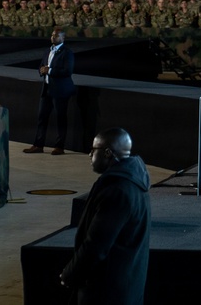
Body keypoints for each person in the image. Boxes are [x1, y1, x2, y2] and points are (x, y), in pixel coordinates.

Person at [60, 128, 150, 305]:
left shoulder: (117, 190)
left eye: (94, 149)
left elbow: (96, 244)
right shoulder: (132, 181)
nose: (90, 154)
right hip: (125, 288)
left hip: (107, 292)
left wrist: (70, 274)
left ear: (108, 153)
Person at [24, 27, 77, 155]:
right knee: (42, 117)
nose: (53, 37)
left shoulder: (67, 52)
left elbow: (68, 71)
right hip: (47, 89)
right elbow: (42, 65)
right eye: (52, 35)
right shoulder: (48, 51)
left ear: (63, 38)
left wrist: (50, 71)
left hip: (60, 90)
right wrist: (41, 70)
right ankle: (38, 145)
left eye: (56, 36)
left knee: (60, 118)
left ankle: (59, 146)